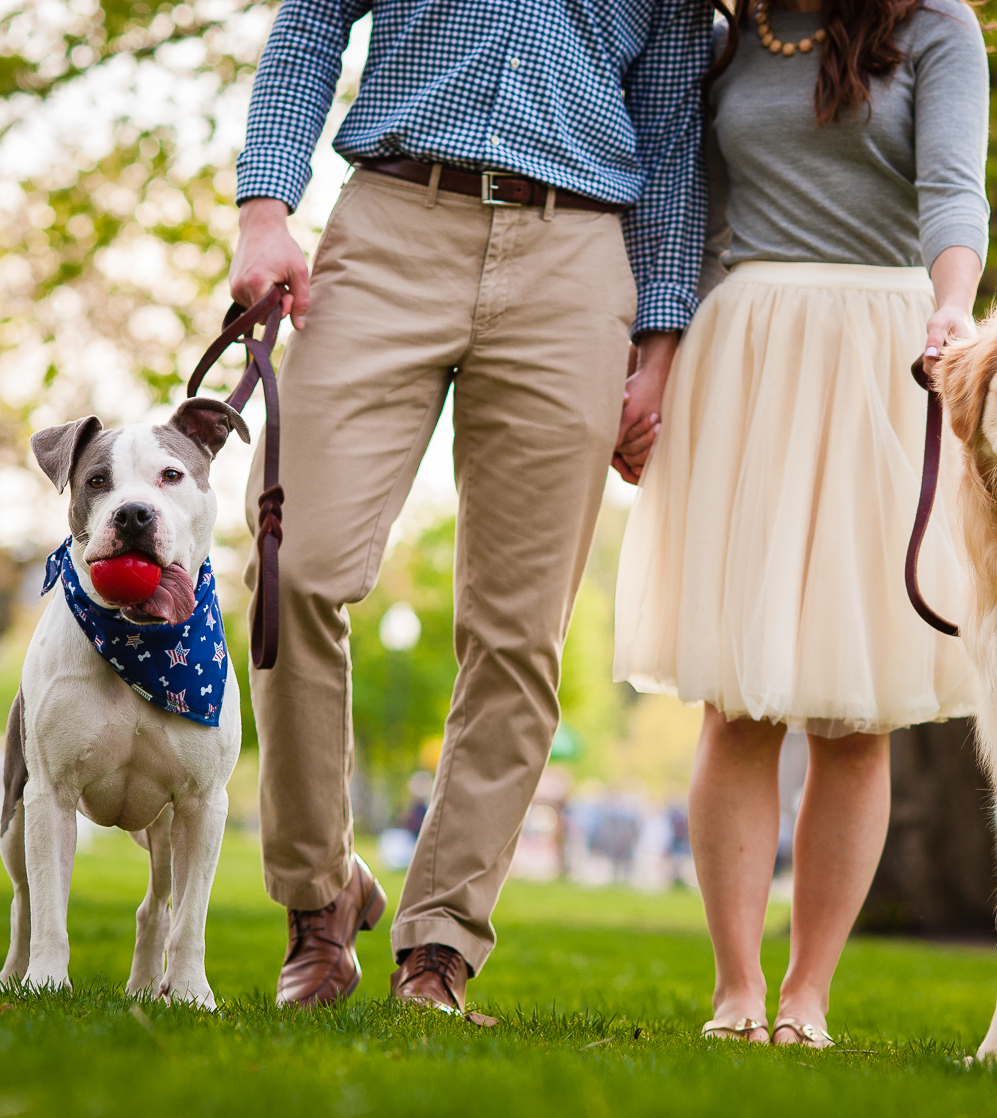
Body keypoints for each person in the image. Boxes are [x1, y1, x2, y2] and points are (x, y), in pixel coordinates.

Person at [229, 0, 711, 1019]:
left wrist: (661, 339)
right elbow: (312, 24)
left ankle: (439, 944)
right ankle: (320, 900)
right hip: (395, 222)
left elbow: (671, 134)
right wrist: (266, 208)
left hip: (575, 254)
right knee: (292, 567)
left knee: (518, 631)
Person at [613, 0, 990, 1047]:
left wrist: (953, 304)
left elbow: (954, 192)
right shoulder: (726, 35)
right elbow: (690, 218)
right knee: (736, 700)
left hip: (885, 351)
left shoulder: (935, 26)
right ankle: (737, 989)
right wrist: (653, 363)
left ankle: (807, 994)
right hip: (749, 359)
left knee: (854, 710)